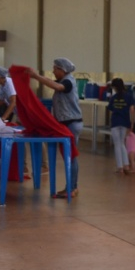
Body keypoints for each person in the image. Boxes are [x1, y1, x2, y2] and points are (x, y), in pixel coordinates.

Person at [28, 58, 82, 198]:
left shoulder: (68, 81)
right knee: (68, 156)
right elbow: (52, 82)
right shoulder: (64, 80)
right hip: (64, 123)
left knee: (70, 156)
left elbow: (57, 87)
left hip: (71, 123)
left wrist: (35, 76)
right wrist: (36, 77)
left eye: (55, 69)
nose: (53, 71)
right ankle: (71, 187)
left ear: (62, 70)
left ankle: (72, 187)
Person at [106, 78, 135, 174]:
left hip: (115, 123)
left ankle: (120, 167)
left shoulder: (113, 98)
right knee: (122, 143)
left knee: (117, 144)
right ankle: (126, 165)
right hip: (125, 122)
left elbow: (110, 109)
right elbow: (132, 110)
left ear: (114, 87)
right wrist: (132, 123)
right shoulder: (129, 97)